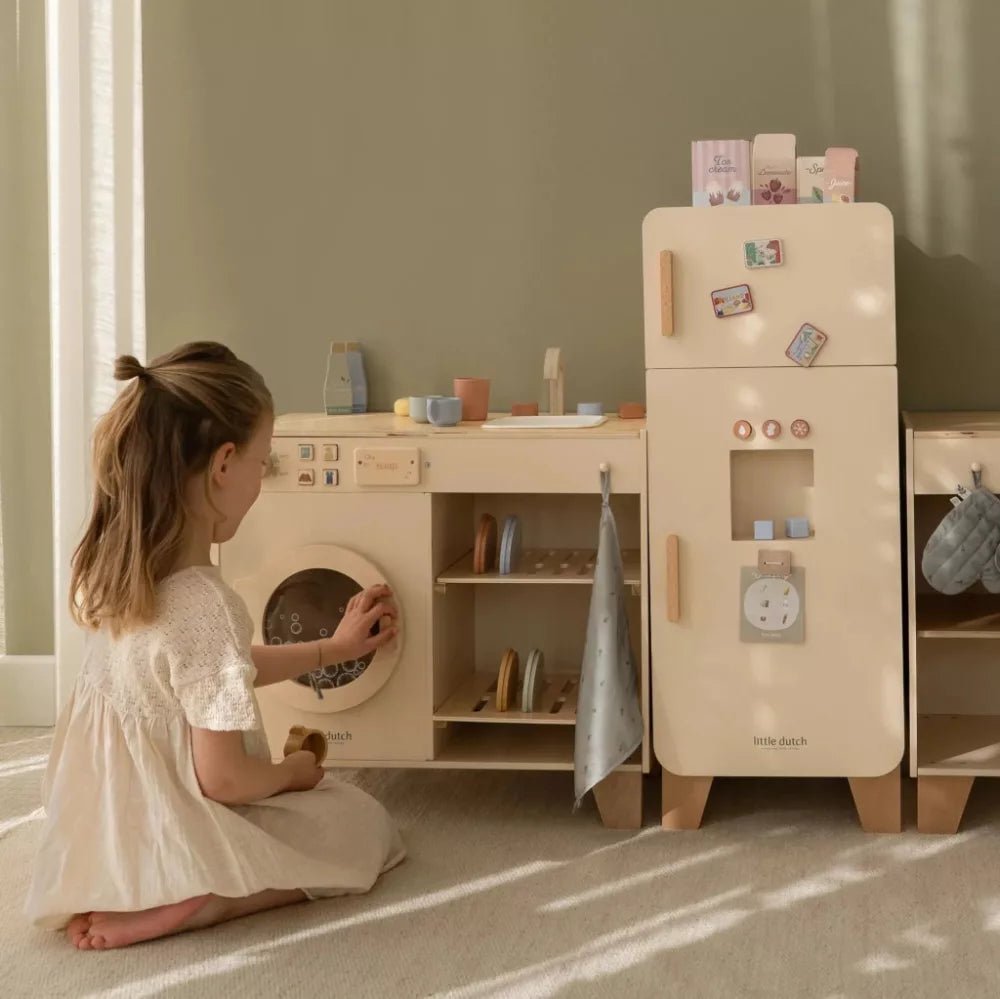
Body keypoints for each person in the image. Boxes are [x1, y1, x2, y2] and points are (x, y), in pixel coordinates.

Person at [24, 342, 405, 949]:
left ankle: (145, 890)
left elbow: (205, 677)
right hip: (181, 821)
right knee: (363, 825)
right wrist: (294, 773)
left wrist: (331, 650)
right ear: (224, 464)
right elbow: (223, 780)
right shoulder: (208, 604)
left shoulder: (124, 574)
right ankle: (204, 900)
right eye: (264, 462)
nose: (261, 480)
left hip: (105, 832)